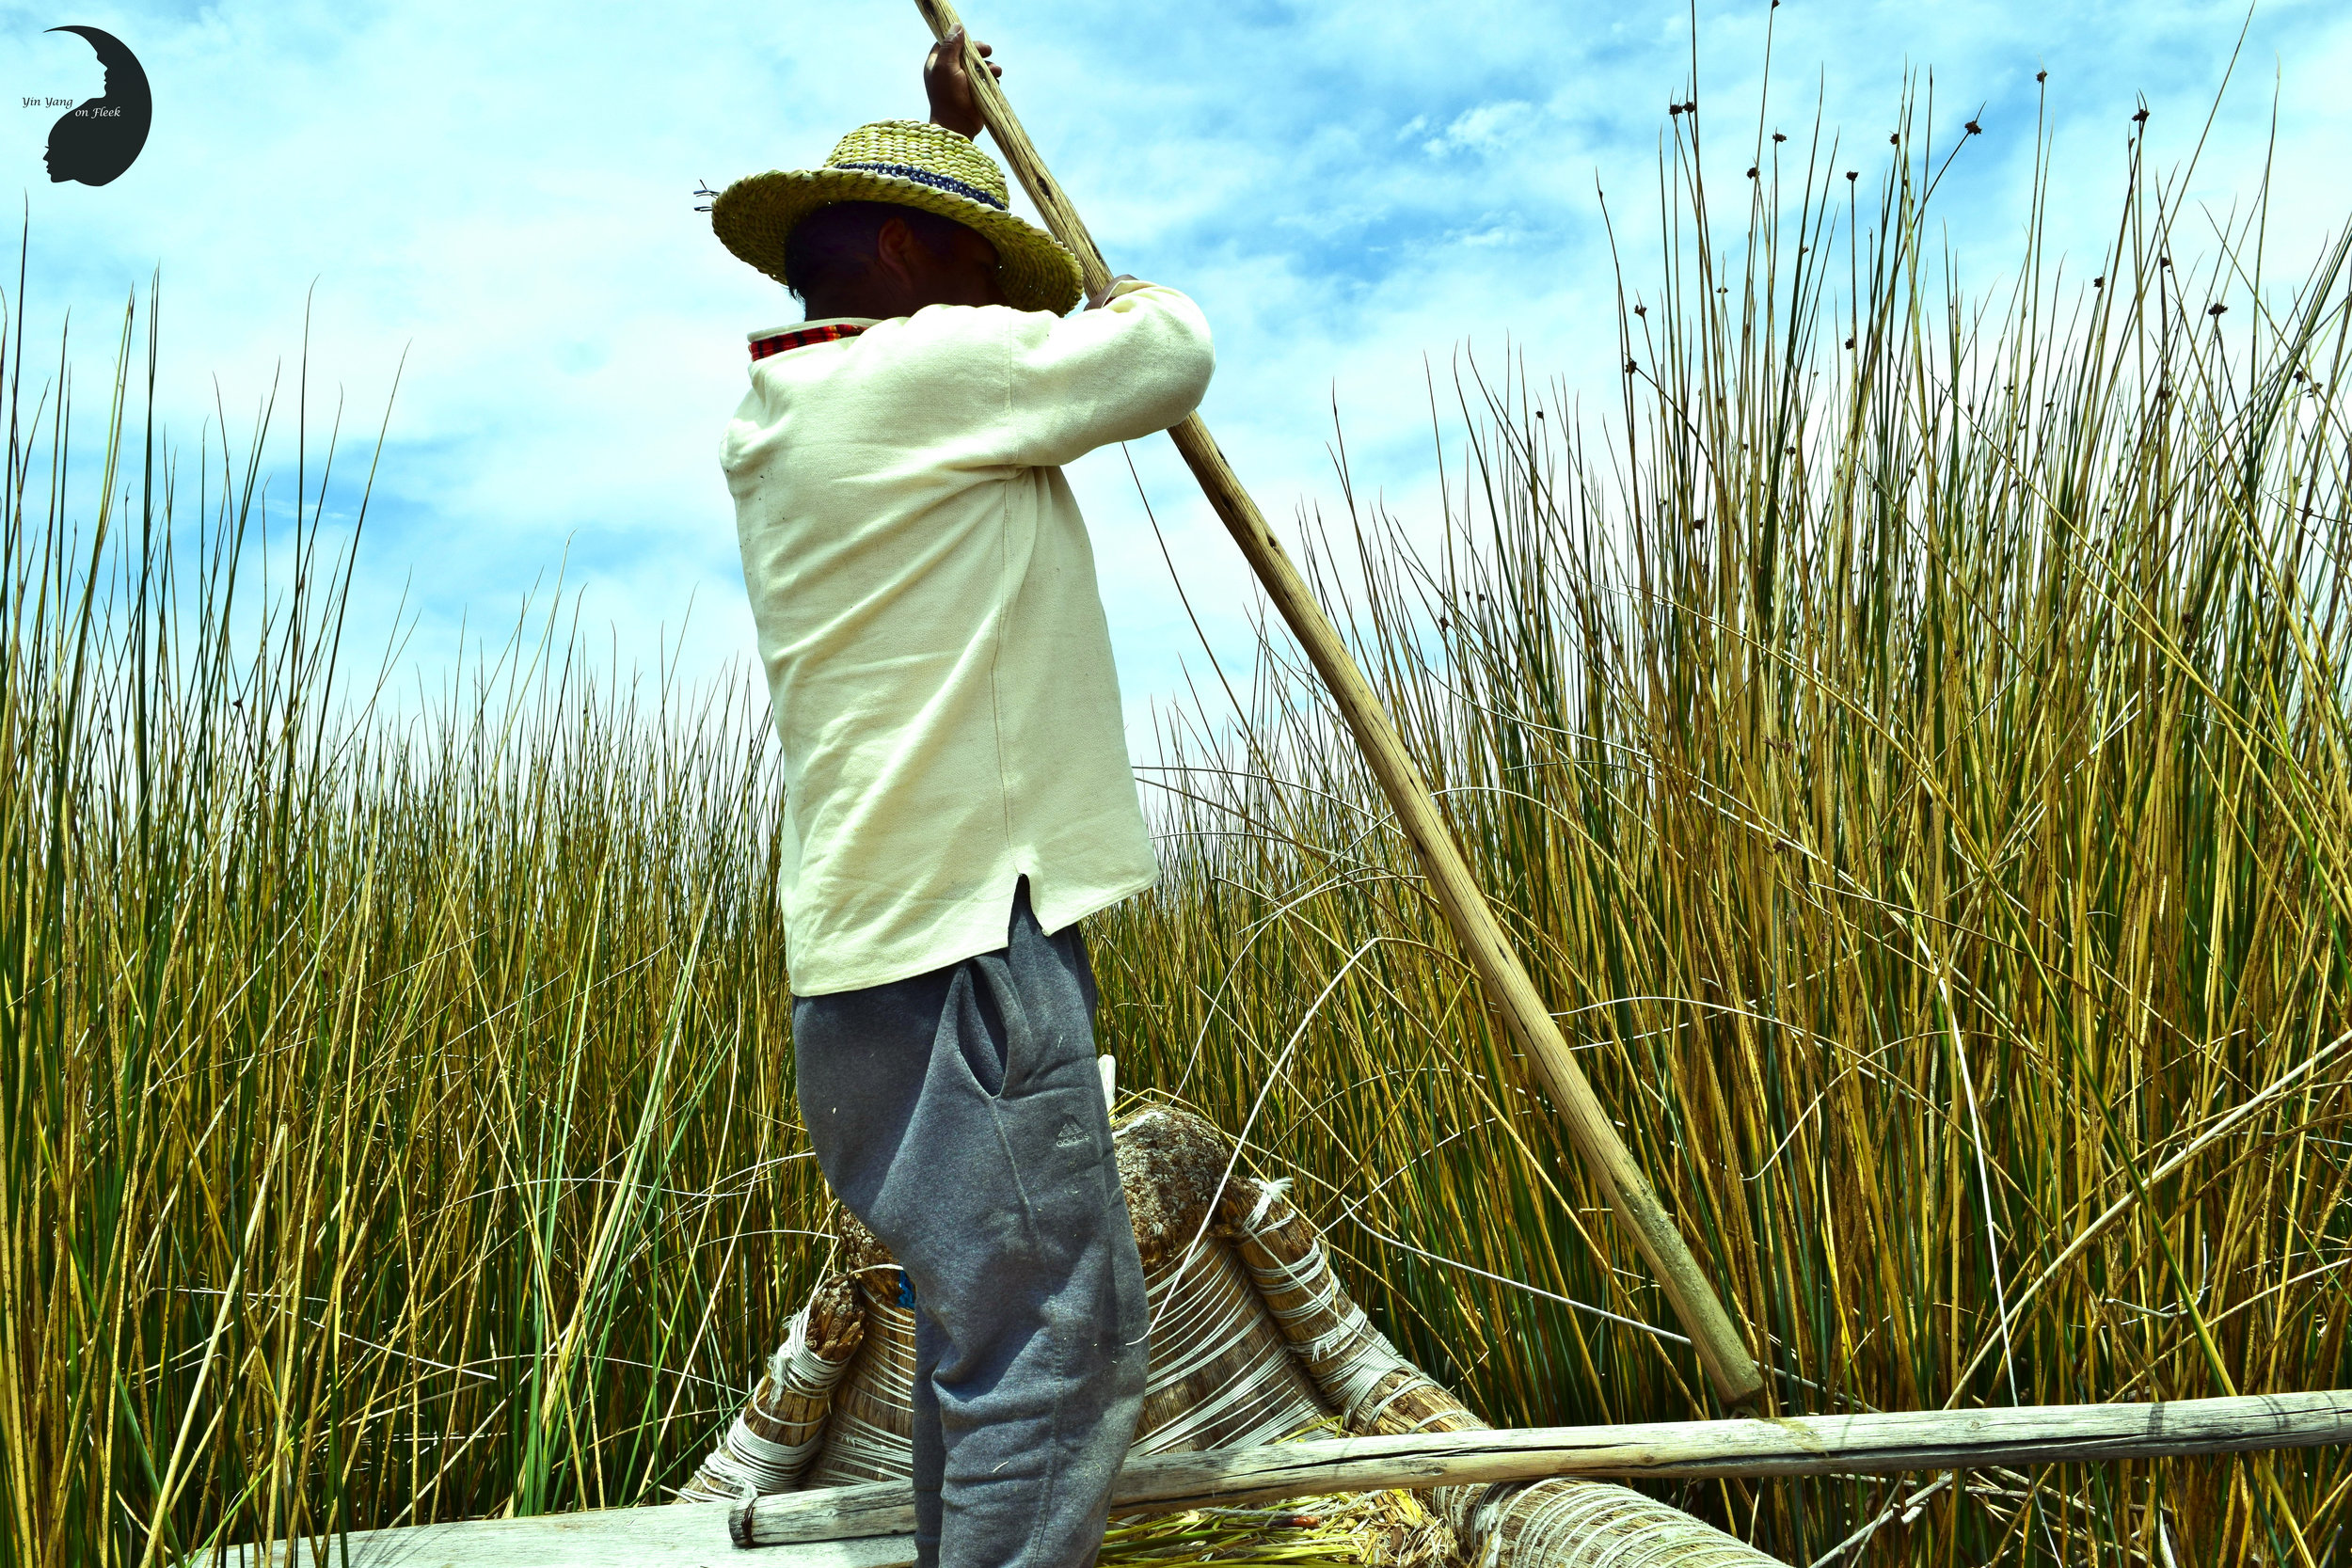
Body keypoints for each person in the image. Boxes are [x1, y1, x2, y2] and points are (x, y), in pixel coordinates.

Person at [708, 28, 1216, 1568]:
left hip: (873, 975)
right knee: (1055, 1359)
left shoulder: (790, 420)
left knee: (988, 1355)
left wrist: (965, 148)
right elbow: (1166, 345)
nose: (1009, 309)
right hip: (964, 948)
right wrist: (1077, 278)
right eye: (985, 273)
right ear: (919, 258)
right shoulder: (922, 374)